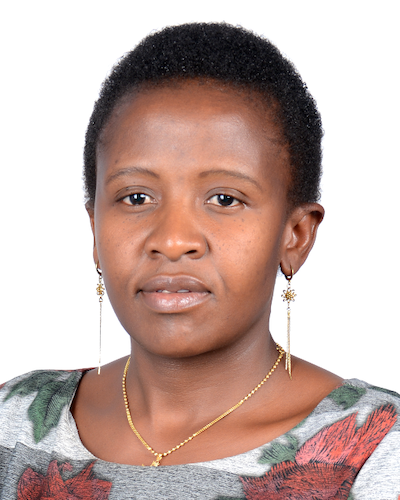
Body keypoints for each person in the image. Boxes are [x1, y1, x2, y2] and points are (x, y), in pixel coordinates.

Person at [0, 22, 399, 499]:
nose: (172, 240)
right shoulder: (11, 421)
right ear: (94, 230)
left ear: (295, 235)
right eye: (136, 197)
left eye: (225, 199)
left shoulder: (377, 452)